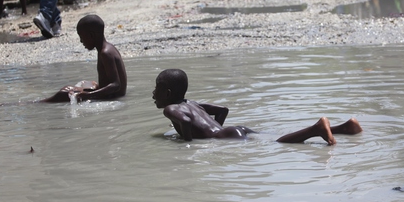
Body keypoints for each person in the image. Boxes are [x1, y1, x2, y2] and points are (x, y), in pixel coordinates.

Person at [152, 69, 362, 144]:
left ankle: (316, 129)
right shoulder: (192, 103)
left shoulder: (171, 109)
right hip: (234, 130)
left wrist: (186, 143)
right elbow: (223, 109)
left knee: (278, 144)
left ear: (168, 94)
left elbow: (186, 121)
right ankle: (345, 127)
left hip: (226, 136)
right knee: (273, 138)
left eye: (156, 89)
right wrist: (217, 130)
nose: (153, 93)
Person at [41, 15, 127, 103]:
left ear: (91, 35)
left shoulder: (105, 53)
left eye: (82, 37)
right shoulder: (108, 48)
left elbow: (116, 85)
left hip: (111, 97)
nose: (81, 41)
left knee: (64, 94)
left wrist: (88, 95)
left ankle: (39, 104)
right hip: (109, 94)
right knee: (69, 89)